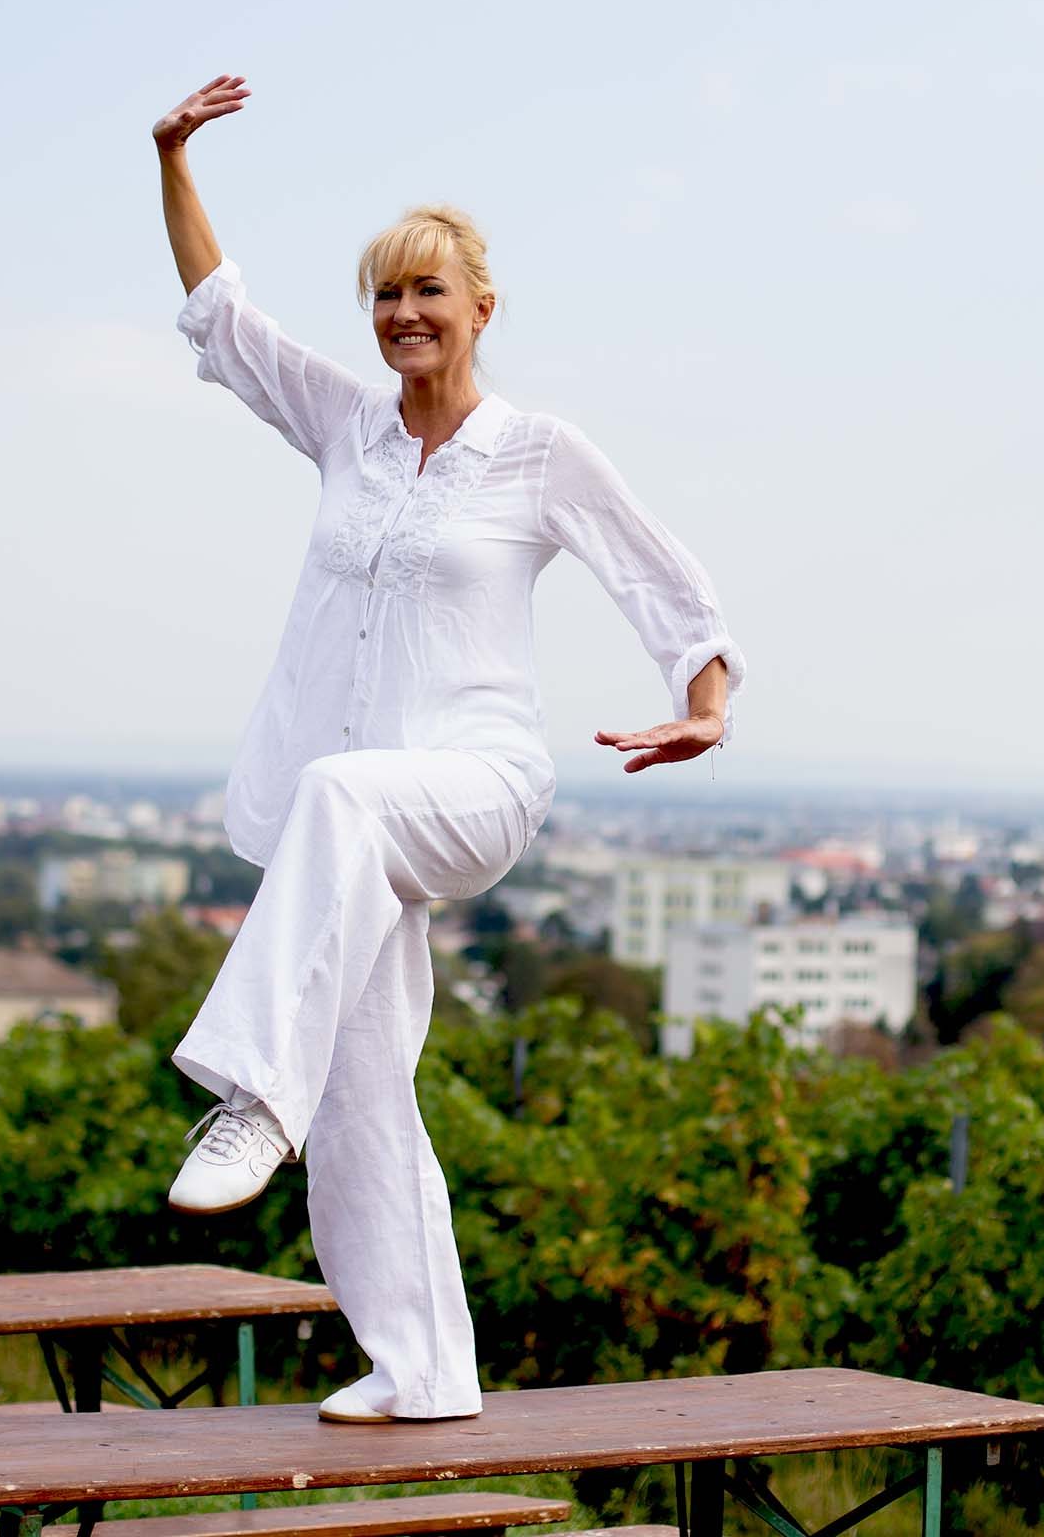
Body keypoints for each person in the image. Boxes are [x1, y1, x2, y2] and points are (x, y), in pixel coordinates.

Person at [152, 73, 746, 1425]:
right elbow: (221, 317)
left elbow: (665, 581)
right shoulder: (345, 430)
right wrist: (172, 156)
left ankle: (246, 1087)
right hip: (345, 829)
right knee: (361, 1088)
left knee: (339, 801)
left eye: (427, 292)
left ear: (480, 307)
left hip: (469, 786)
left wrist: (703, 704)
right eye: (382, 295)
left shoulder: (538, 453)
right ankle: (421, 1368)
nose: (402, 315)